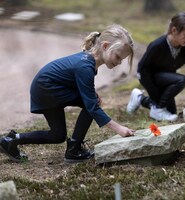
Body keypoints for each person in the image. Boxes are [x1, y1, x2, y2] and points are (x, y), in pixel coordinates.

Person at [0, 24, 135, 163]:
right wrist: (119, 128)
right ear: (105, 46)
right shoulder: (85, 66)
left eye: (121, 59)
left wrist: (91, 93)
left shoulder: (87, 60)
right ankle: (74, 150)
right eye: (118, 57)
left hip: (45, 88)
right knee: (91, 104)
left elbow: (73, 79)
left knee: (57, 135)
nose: (119, 62)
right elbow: (91, 106)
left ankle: (11, 140)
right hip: (47, 89)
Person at [127, 12, 185, 121]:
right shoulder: (157, 46)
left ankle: (139, 98)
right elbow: (142, 71)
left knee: (172, 113)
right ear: (174, 30)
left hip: (167, 81)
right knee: (181, 80)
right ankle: (158, 108)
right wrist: (156, 97)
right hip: (151, 79)